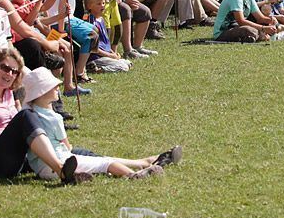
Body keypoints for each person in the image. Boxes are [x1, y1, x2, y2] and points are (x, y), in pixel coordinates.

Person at [22, 67, 179, 180]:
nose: (57, 87)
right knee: (105, 163)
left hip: (40, 168)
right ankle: (135, 174)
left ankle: (144, 162)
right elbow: (68, 146)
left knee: (94, 164)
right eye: (53, 86)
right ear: (43, 92)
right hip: (60, 162)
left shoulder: (30, 114)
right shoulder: (54, 118)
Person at [0, 48, 80, 183]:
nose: (10, 74)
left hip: (15, 158)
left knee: (78, 152)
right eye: (5, 68)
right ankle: (60, 170)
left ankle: (99, 163)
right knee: (25, 116)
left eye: (15, 72)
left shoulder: (8, 93)